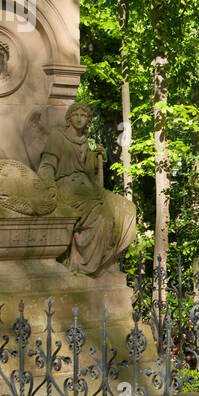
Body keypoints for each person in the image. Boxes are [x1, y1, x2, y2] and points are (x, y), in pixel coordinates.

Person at [38, 101, 136, 275]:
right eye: (75, 114)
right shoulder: (57, 136)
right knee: (102, 217)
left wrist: (96, 157)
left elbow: (91, 175)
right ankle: (82, 265)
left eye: (83, 115)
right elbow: (46, 166)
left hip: (88, 188)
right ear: (69, 118)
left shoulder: (87, 143)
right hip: (66, 187)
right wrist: (48, 187)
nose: (79, 118)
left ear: (88, 120)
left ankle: (105, 263)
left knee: (127, 210)